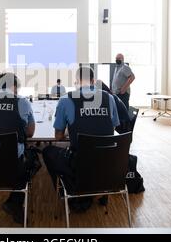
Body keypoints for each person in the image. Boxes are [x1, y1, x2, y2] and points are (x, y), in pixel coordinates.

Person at [43, 67, 120, 212]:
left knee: (48, 151)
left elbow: (58, 136)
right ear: (93, 81)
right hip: (108, 162)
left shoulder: (66, 99)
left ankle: (67, 189)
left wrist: (69, 129)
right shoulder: (108, 97)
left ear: (77, 82)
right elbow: (113, 126)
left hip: (80, 162)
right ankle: (100, 188)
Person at [0, 73, 39, 224]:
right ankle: (14, 202)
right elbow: (30, 133)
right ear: (15, 87)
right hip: (12, 165)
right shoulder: (21, 101)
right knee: (33, 159)